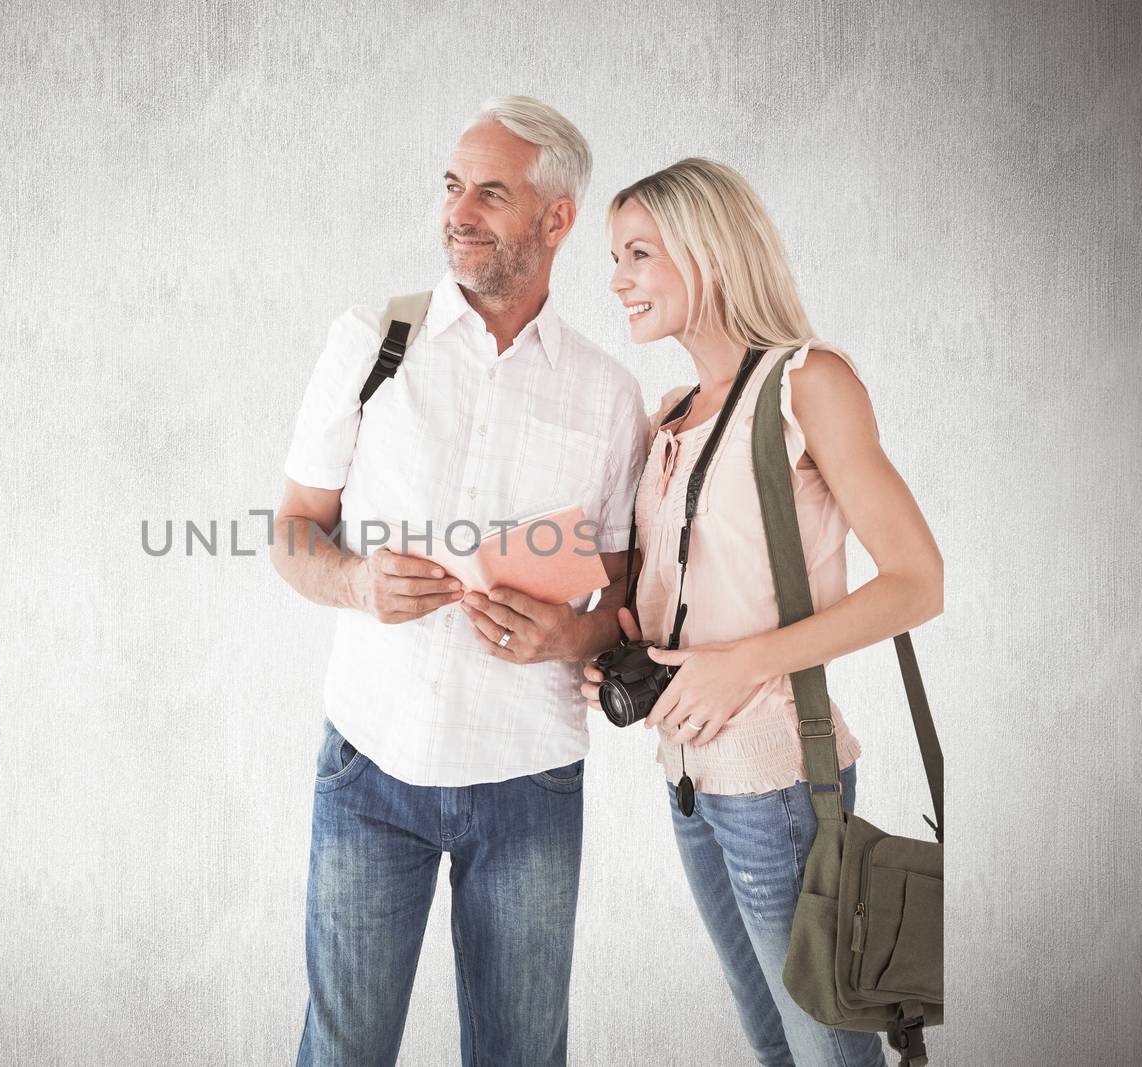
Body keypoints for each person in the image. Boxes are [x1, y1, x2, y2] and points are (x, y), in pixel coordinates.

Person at [271, 96, 649, 1066]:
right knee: (344, 1048)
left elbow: (626, 589)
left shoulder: (607, 394)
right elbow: (292, 532)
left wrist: (571, 636)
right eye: (451, 185)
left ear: (556, 219)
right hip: (370, 761)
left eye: (491, 190)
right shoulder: (371, 339)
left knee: (522, 1053)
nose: (457, 210)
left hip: (527, 768)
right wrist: (356, 582)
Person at [583, 157, 944, 1066]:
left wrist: (743, 661)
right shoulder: (670, 412)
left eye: (638, 253)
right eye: (612, 256)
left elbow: (916, 581)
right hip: (688, 777)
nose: (615, 279)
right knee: (773, 1046)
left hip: (778, 777)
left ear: (709, 252)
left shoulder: (805, 383)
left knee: (828, 1051)